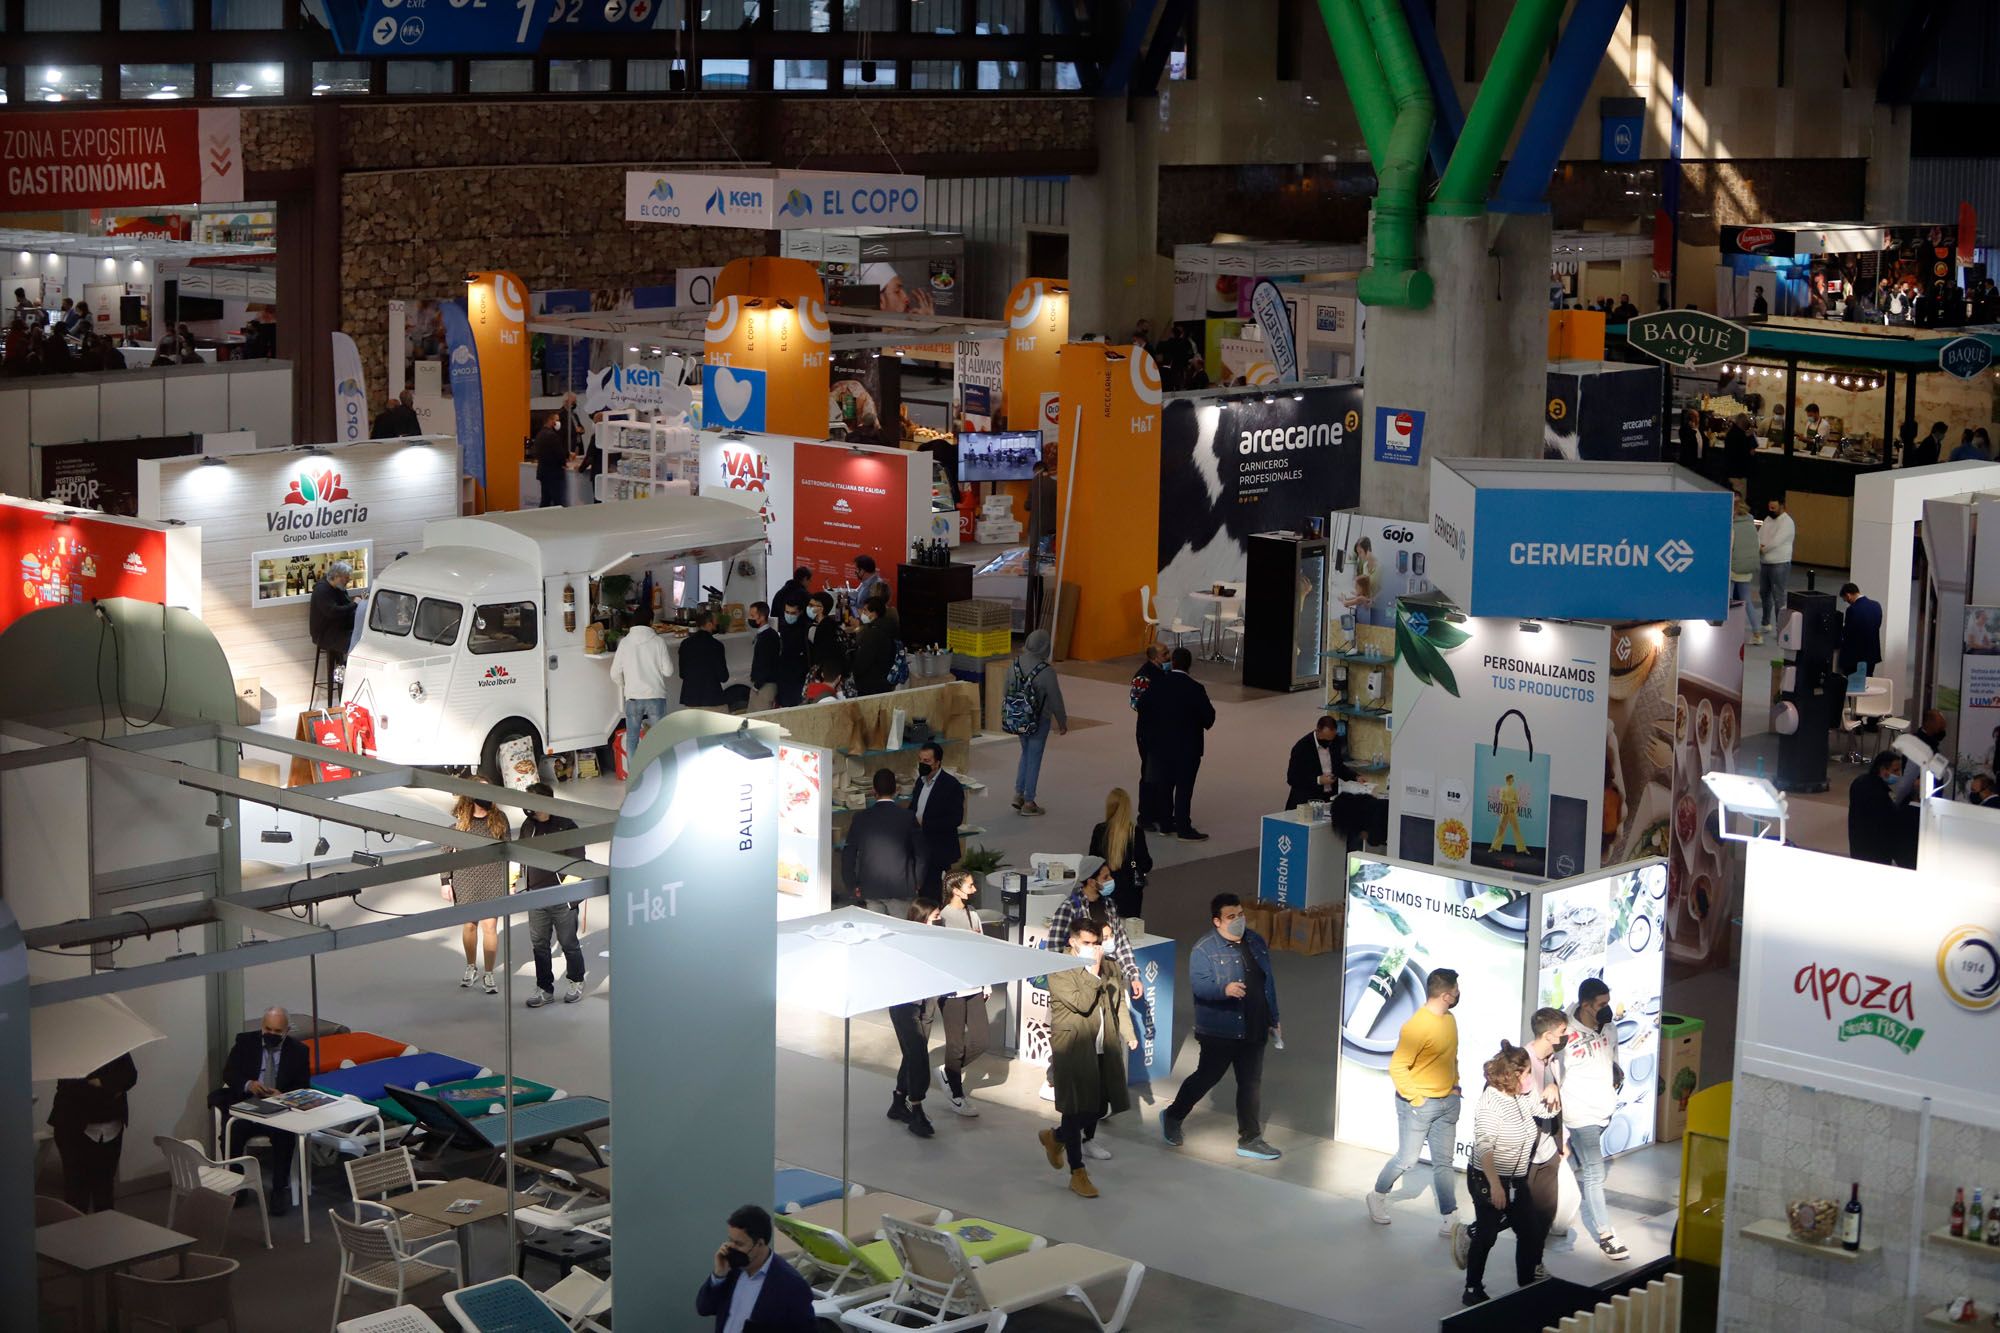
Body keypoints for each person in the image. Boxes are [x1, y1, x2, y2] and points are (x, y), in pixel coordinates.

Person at [1160, 893, 1282, 1161]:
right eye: (1231, 917)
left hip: (1255, 1026)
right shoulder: (1204, 950)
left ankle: (1250, 1138)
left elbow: (1267, 983)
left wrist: (1274, 1018)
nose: (1238, 920)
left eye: (1240, 914)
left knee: (1250, 1083)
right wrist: (1224, 989)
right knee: (1206, 1077)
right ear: (1217, 921)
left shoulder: (1256, 941)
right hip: (1221, 1030)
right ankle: (1173, 1115)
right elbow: (1199, 987)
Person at [1039, 914, 1139, 1198]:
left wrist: (1128, 1035)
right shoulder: (1059, 967)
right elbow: (1081, 1003)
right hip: (1072, 1047)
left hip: (1102, 1045)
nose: (1093, 949)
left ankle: (1055, 1137)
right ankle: (1077, 1172)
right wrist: (1093, 973)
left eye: (1097, 943)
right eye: (1086, 943)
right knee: (1075, 1108)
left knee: (1097, 1108)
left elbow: (1118, 1004)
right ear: (1072, 941)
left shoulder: (1109, 966)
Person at [1459, 1044, 1561, 1307]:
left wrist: (1553, 1091)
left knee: (1529, 1231)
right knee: (1487, 1234)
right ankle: (1472, 1287)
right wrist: (1495, 1185)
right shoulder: (1491, 1102)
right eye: (1527, 1074)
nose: (1530, 1078)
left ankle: (1526, 1284)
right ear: (1513, 1075)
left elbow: (1544, 1111)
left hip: (1517, 1179)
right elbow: (1484, 1146)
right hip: (1488, 1178)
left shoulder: (1523, 1095)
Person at [1366, 968, 1462, 1230]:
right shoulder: (1416, 1027)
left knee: (1444, 1163)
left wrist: (1455, 1086)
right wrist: (1417, 1099)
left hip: (1447, 1102)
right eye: (1455, 990)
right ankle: (1377, 1195)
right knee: (1407, 1159)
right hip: (1419, 1105)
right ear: (1445, 995)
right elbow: (1398, 1067)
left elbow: (1451, 1056)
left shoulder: (1450, 1019)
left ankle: (1449, 1216)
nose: (1457, 993)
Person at [210, 1008, 309, 1215]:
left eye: (277, 1031)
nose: (271, 1034)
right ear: (262, 1027)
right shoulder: (245, 1043)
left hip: (279, 1108)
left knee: (285, 1136)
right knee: (232, 1132)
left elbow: (303, 1087)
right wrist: (249, 1085)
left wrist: (281, 1094)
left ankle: (279, 1189)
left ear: (287, 1031)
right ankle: (238, 1184)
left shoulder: (299, 1051)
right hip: (248, 1103)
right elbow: (229, 1073)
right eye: (267, 1029)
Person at [1560, 978, 1630, 1260]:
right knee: (1594, 1173)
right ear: (1586, 1005)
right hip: (1580, 1113)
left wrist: (1617, 1075)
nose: (1607, 1009)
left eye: (1608, 1003)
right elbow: (1554, 1073)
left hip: (1605, 1110)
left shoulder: (1609, 1027)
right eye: (1601, 1005)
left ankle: (1546, 1202)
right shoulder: (1564, 1033)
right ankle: (1606, 1234)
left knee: (1572, 1164)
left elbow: (1614, 1058)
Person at [696, 1203, 816, 1332]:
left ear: (760, 1243)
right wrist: (718, 1276)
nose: (731, 1247)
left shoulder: (792, 1285)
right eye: (730, 1240)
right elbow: (704, 1308)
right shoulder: (732, 1269)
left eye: (739, 1243)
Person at [518, 782, 585, 1008]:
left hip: (561, 899)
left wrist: (567, 896)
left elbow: (578, 862)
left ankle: (576, 980)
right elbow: (521, 855)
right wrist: (518, 882)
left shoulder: (566, 826)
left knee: (569, 944)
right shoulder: (528, 826)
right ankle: (544, 987)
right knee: (540, 945)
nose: (528, 808)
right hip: (535, 897)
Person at [1140, 646, 1216, 841]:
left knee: (1164, 784)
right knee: (1184, 788)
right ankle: (1183, 827)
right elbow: (1209, 718)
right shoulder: (1195, 689)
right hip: (1187, 748)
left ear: (1172, 662)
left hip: (1160, 746)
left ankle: (1165, 823)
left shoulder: (1158, 684)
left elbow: (1142, 706)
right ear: (1189, 665)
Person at [49, 1052, 139, 1213]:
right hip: (74, 1127)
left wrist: (101, 1084)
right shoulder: (73, 1048)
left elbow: (130, 1076)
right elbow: (72, 1088)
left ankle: (104, 1233)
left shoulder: (115, 1045)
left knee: (104, 1189)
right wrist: (112, 1088)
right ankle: (77, 1235)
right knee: (77, 1193)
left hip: (112, 1127)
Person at [442, 789, 510, 993]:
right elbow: (446, 851)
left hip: (492, 879)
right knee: (470, 926)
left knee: (490, 927)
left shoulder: (499, 819)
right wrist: (446, 881)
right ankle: (471, 966)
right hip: (466, 880)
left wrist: (513, 878)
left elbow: (509, 849)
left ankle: (489, 973)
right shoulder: (460, 820)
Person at [934, 872, 989, 1116]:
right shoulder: (942, 917)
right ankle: (956, 1094)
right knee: (955, 1045)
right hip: (952, 989)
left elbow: (982, 948)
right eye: (970, 885)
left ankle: (948, 1071)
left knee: (981, 1039)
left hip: (975, 985)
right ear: (956, 889)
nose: (974, 889)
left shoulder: (973, 915)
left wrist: (986, 982)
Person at [886, 899, 943, 1138]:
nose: (939, 921)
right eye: (935, 917)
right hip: (905, 1007)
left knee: (913, 1055)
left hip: (925, 1004)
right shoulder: (905, 942)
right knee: (918, 1057)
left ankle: (899, 1102)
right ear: (923, 918)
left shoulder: (934, 941)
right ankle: (917, 1108)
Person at [842, 768, 923, 909]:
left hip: (870, 888)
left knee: (875, 929)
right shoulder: (908, 817)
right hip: (902, 888)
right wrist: (917, 880)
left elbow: (849, 854)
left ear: (874, 791)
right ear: (896, 789)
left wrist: (852, 884)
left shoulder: (860, 818)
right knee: (900, 930)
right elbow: (921, 854)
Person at [1009, 629, 1068, 816]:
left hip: (1018, 717)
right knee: (1034, 757)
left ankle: (1018, 793)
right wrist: (1062, 721)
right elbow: (1055, 699)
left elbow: (1005, 692)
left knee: (1025, 753)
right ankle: (1029, 802)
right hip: (1038, 720)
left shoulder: (1014, 665)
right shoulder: (1046, 671)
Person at [608, 612, 674, 751]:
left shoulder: (625, 642)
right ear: (650, 621)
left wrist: (626, 685)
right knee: (659, 740)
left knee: (632, 739)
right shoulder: (658, 641)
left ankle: (635, 773)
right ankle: (657, 771)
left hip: (633, 698)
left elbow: (614, 673)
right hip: (655, 696)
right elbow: (669, 671)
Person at [1088, 787, 1152, 921]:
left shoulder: (1100, 830)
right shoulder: (1136, 833)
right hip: (1130, 894)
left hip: (1105, 890)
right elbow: (1146, 863)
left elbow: (1092, 862)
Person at [911, 740, 964, 899]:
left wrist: (925, 824)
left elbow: (955, 819)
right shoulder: (920, 782)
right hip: (919, 844)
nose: (922, 764)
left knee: (932, 890)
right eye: (920, 760)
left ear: (938, 763)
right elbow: (914, 807)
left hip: (938, 847)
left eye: (926, 761)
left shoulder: (951, 785)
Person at [1129, 644, 1170, 830]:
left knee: (1160, 773)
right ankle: (1145, 816)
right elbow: (1136, 703)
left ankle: (1159, 811)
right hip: (1148, 733)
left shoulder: (1163, 673)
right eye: (1165, 654)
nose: (1168, 657)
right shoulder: (1143, 676)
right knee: (1149, 774)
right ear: (1154, 658)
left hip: (1161, 731)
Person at [1849, 750, 1915, 865]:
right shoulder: (1879, 793)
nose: (1899, 774)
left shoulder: (1860, 782)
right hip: (1875, 851)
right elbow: (1890, 819)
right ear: (1882, 770)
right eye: (1895, 770)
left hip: (1858, 844)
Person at [308, 560, 359, 706]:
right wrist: (354, 604)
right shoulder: (322, 590)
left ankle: (347, 678)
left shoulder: (338, 588)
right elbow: (333, 612)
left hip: (338, 630)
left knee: (358, 641)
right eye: (346, 577)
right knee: (355, 645)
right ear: (337, 576)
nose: (349, 580)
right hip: (326, 635)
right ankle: (348, 680)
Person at [1286, 714, 1356, 809]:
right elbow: (1292, 778)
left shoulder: (1335, 742)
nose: (1328, 743)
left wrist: (1355, 777)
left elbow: (1338, 766)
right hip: (1306, 801)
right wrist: (1318, 780)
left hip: (1328, 798)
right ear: (1318, 730)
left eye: (1330, 740)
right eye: (1325, 740)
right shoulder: (1302, 748)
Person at [1754, 494, 1795, 646]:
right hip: (1765, 563)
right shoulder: (1767, 519)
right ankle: (1766, 622)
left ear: (1782, 506)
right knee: (1764, 592)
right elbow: (1759, 535)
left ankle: (1780, 628)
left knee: (1779, 596)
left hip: (1780, 563)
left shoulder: (1787, 522)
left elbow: (1777, 541)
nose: (1771, 510)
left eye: (1774, 508)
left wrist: (1763, 549)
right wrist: (1759, 546)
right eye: (1769, 507)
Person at [1025, 458, 1057, 629]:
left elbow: (1027, 505)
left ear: (1037, 470)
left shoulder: (1035, 484)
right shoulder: (1055, 484)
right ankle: (1046, 583)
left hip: (1037, 528)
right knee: (1048, 559)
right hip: (1052, 528)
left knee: (1035, 561)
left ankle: (1035, 585)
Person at [678, 608, 730, 710]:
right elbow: (723, 677)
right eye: (715, 622)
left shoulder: (685, 644)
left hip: (691, 698)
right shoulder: (716, 646)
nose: (717, 625)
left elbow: (682, 674)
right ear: (709, 624)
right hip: (712, 697)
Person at [850, 595, 897, 696]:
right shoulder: (888, 627)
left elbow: (863, 661)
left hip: (870, 684)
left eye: (865, 610)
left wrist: (854, 672)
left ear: (874, 613)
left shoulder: (872, 633)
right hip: (884, 680)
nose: (863, 613)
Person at [1730, 494, 1760, 638]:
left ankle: (1727, 631)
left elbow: (1729, 548)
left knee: (1728, 601)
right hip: (1747, 569)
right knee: (1747, 601)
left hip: (1733, 569)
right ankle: (1757, 633)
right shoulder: (1751, 523)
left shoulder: (1733, 527)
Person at [1838, 582, 1883, 677]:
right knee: (1868, 682)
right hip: (1872, 654)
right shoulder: (1876, 605)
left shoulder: (1852, 609)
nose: (1847, 602)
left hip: (1855, 657)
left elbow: (1847, 633)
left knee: (1853, 685)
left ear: (1848, 595)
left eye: (1846, 600)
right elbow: (1877, 625)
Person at [774, 591, 810, 708]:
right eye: (787, 612)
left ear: (800, 612)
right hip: (784, 679)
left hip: (798, 680)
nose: (789, 615)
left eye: (793, 613)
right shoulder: (784, 628)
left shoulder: (805, 631)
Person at [807, 590, 848, 685]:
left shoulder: (824, 628)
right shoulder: (830, 624)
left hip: (828, 676)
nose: (808, 607)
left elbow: (823, 653)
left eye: (811, 605)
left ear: (821, 609)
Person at [745, 601, 780, 711]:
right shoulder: (763, 635)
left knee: (760, 719)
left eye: (752, 616)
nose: (749, 618)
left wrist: (757, 685)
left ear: (762, 617)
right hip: (760, 684)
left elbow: (766, 663)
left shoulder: (768, 637)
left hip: (765, 685)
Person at [532, 411, 569, 507]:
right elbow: (559, 453)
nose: (558, 423)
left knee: (545, 500)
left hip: (543, 472)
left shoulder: (540, 434)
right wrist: (564, 463)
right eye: (556, 420)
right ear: (551, 421)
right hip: (554, 474)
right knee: (558, 501)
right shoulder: (552, 435)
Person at [1722, 413, 1756, 496]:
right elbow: (1751, 452)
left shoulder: (1730, 433)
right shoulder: (1741, 436)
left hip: (1730, 472)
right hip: (1739, 473)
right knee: (1740, 499)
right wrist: (1751, 436)